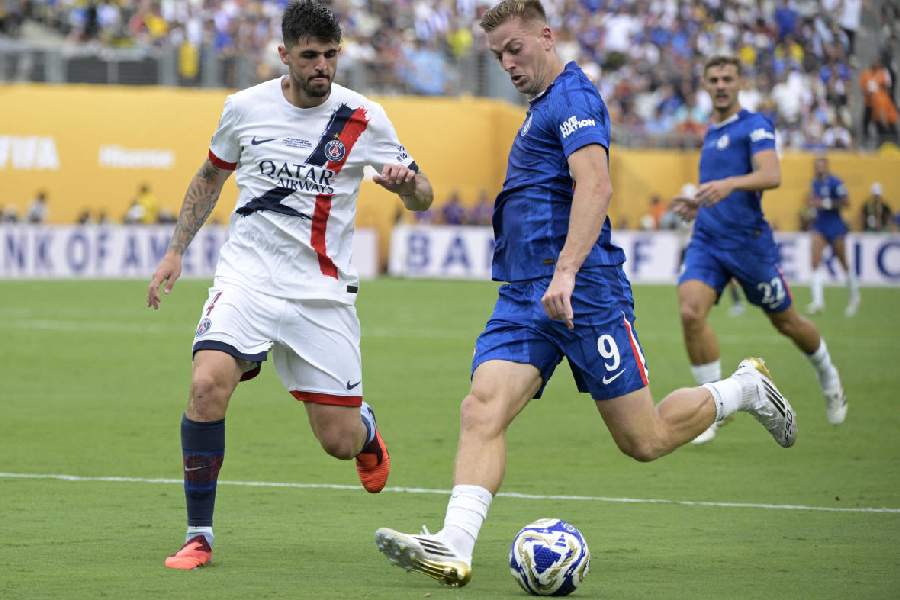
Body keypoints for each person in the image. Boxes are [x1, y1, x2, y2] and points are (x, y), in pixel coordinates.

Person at [374, 4, 796, 588]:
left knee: (642, 440)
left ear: (546, 36)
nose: (507, 63)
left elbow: (595, 183)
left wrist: (567, 271)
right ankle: (454, 544)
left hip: (585, 291)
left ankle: (742, 388)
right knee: (481, 408)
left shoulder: (573, 97)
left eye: (515, 48)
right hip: (525, 294)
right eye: (497, 55)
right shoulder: (539, 109)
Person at [146, 0, 433, 571]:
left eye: (331, 55)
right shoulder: (244, 108)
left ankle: (366, 430)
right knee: (206, 385)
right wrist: (177, 249)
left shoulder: (364, 118)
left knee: (338, 441)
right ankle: (198, 535)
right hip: (247, 279)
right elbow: (210, 176)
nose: (322, 66)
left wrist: (406, 187)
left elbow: (424, 195)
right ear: (284, 55)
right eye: (310, 56)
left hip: (320, 294)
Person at [673, 55, 846, 447]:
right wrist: (696, 204)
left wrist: (730, 184)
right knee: (689, 311)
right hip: (708, 240)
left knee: (787, 323)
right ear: (705, 84)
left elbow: (772, 175)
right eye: (713, 78)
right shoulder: (710, 133)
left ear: (739, 83)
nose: (720, 85)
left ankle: (829, 376)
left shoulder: (755, 125)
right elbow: (717, 191)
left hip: (749, 245)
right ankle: (710, 411)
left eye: (727, 79)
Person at [806, 156, 860, 316]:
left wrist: (825, 204)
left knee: (843, 262)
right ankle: (818, 302)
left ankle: (854, 297)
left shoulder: (836, 182)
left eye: (821, 166)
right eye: (817, 166)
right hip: (820, 225)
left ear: (826, 167)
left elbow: (847, 202)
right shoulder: (814, 183)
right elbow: (813, 202)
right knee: (814, 261)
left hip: (835, 225)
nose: (818, 169)